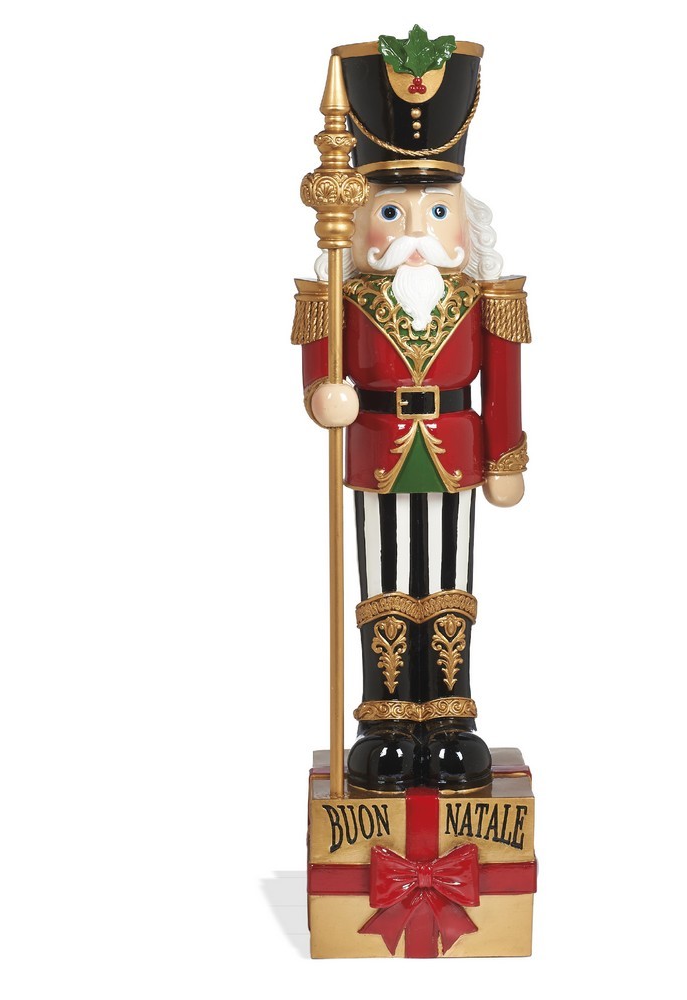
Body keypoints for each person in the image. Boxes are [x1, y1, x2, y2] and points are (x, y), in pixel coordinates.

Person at [292, 30, 531, 792]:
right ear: (360, 218)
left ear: (466, 220)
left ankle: (449, 713)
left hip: (456, 451)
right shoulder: (339, 297)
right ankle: (387, 716)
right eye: (392, 212)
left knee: (449, 575)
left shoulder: (488, 299)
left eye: (435, 210)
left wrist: (507, 456)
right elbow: (319, 372)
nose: (415, 234)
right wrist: (325, 396)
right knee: (386, 578)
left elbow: (503, 382)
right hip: (378, 450)